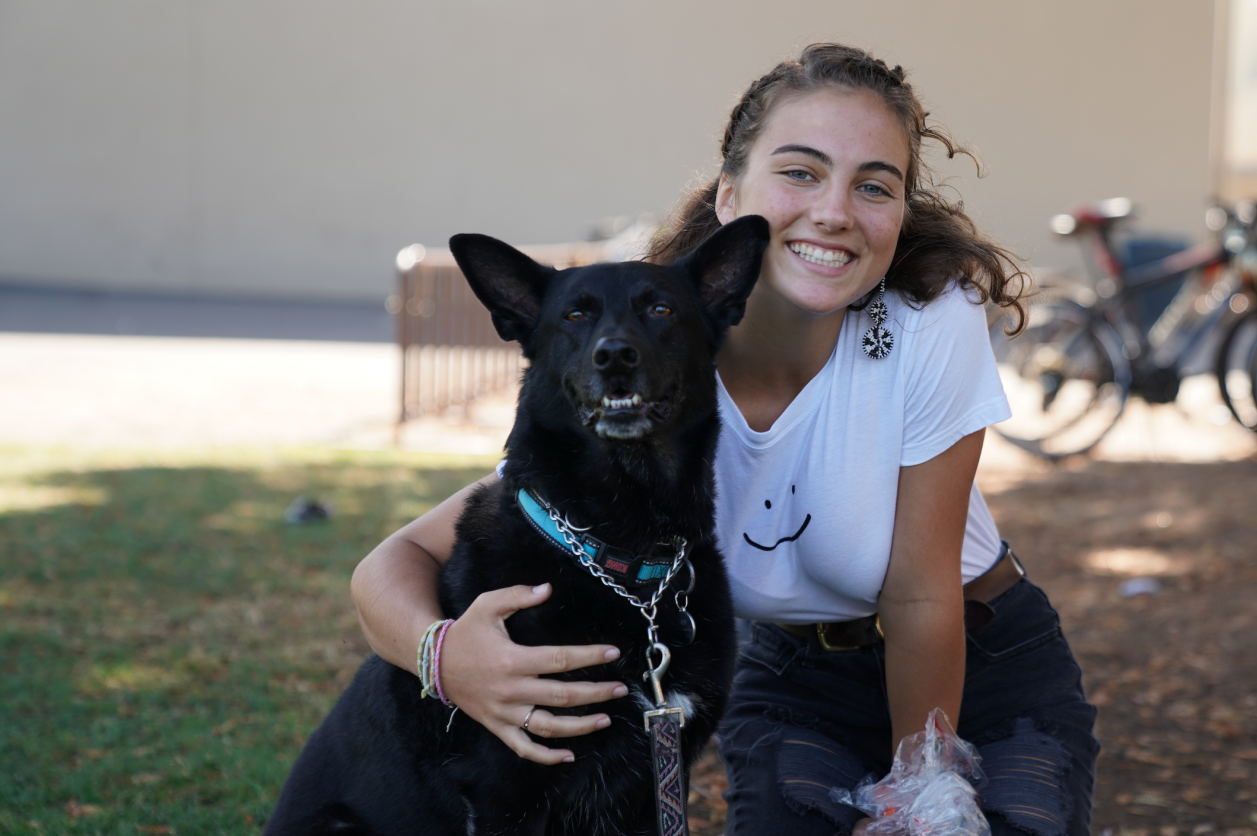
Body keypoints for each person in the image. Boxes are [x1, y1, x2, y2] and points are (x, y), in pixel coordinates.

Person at [350, 43, 1098, 836]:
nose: (835, 211)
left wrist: (922, 787)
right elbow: (389, 567)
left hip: (984, 659)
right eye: (800, 171)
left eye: (872, 185)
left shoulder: (925, 321)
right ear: (729, 192)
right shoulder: (645, 351)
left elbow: (918, 595)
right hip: (789, 674)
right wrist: (446, 658)